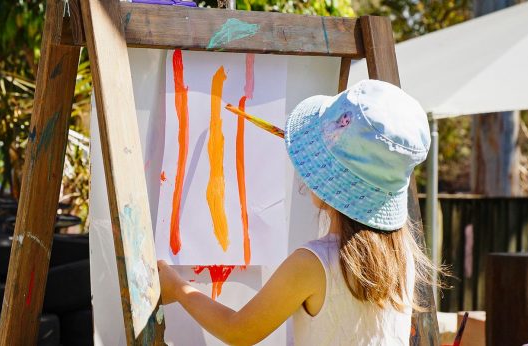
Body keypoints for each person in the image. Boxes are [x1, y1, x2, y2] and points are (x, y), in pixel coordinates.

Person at [158, 79, 443, 345]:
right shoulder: (402, 254)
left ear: (328, 182)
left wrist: (180, 289)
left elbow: (239, 330)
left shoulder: (312, 263)